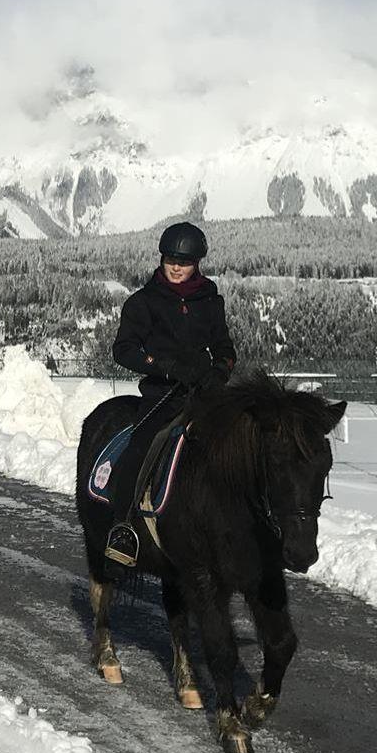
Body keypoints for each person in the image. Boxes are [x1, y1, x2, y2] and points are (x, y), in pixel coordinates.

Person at [103, 221, 236, 567]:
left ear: (197, 264)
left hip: (203, 392)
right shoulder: (143, 302)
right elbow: (123, 350)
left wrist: (220, 370)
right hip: (161, 394)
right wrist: (163, 367)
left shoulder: (210, 300)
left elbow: (224, 346)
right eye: (170, 260)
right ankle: (122, 526)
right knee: (141, 445)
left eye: (184, 262)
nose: (176, 267)